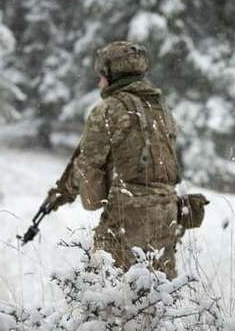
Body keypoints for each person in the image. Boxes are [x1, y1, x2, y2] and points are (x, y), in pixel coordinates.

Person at [44, 40, 182, 278]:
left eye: (101, 75)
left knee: (104, 288)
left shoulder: (109, 109)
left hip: (129, 211)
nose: (99, 82)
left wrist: (62, 193)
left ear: (112, 74)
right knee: (160, 291)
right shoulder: (160, 106)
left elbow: (88, 163)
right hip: (167, 211)